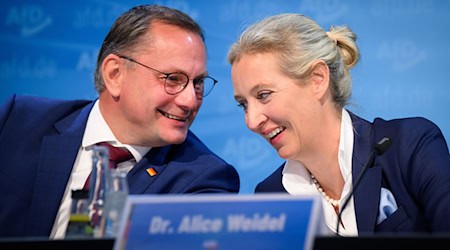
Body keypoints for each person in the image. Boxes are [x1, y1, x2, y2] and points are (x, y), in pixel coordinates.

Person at [0, 4, 240, 239]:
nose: (190, 100)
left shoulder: (203, 179)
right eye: (173, 79)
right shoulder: (18, 122)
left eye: (197, 82)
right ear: (115, 74)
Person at [227, 13, 450, 235]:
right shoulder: (270, 198)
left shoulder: (408, 146)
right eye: (243, 105)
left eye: (264, 95)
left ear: (318, 79)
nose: (251, 121)